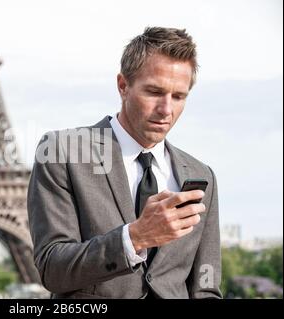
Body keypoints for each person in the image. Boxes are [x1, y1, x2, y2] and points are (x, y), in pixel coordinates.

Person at [27, 27, 222, 299]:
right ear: (123, 86)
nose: (166, 109)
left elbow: (206, 287)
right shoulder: (62, 152)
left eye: (178, 97)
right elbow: (52, 268)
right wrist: (134, 237)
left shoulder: (202, 176)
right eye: (154, 92)